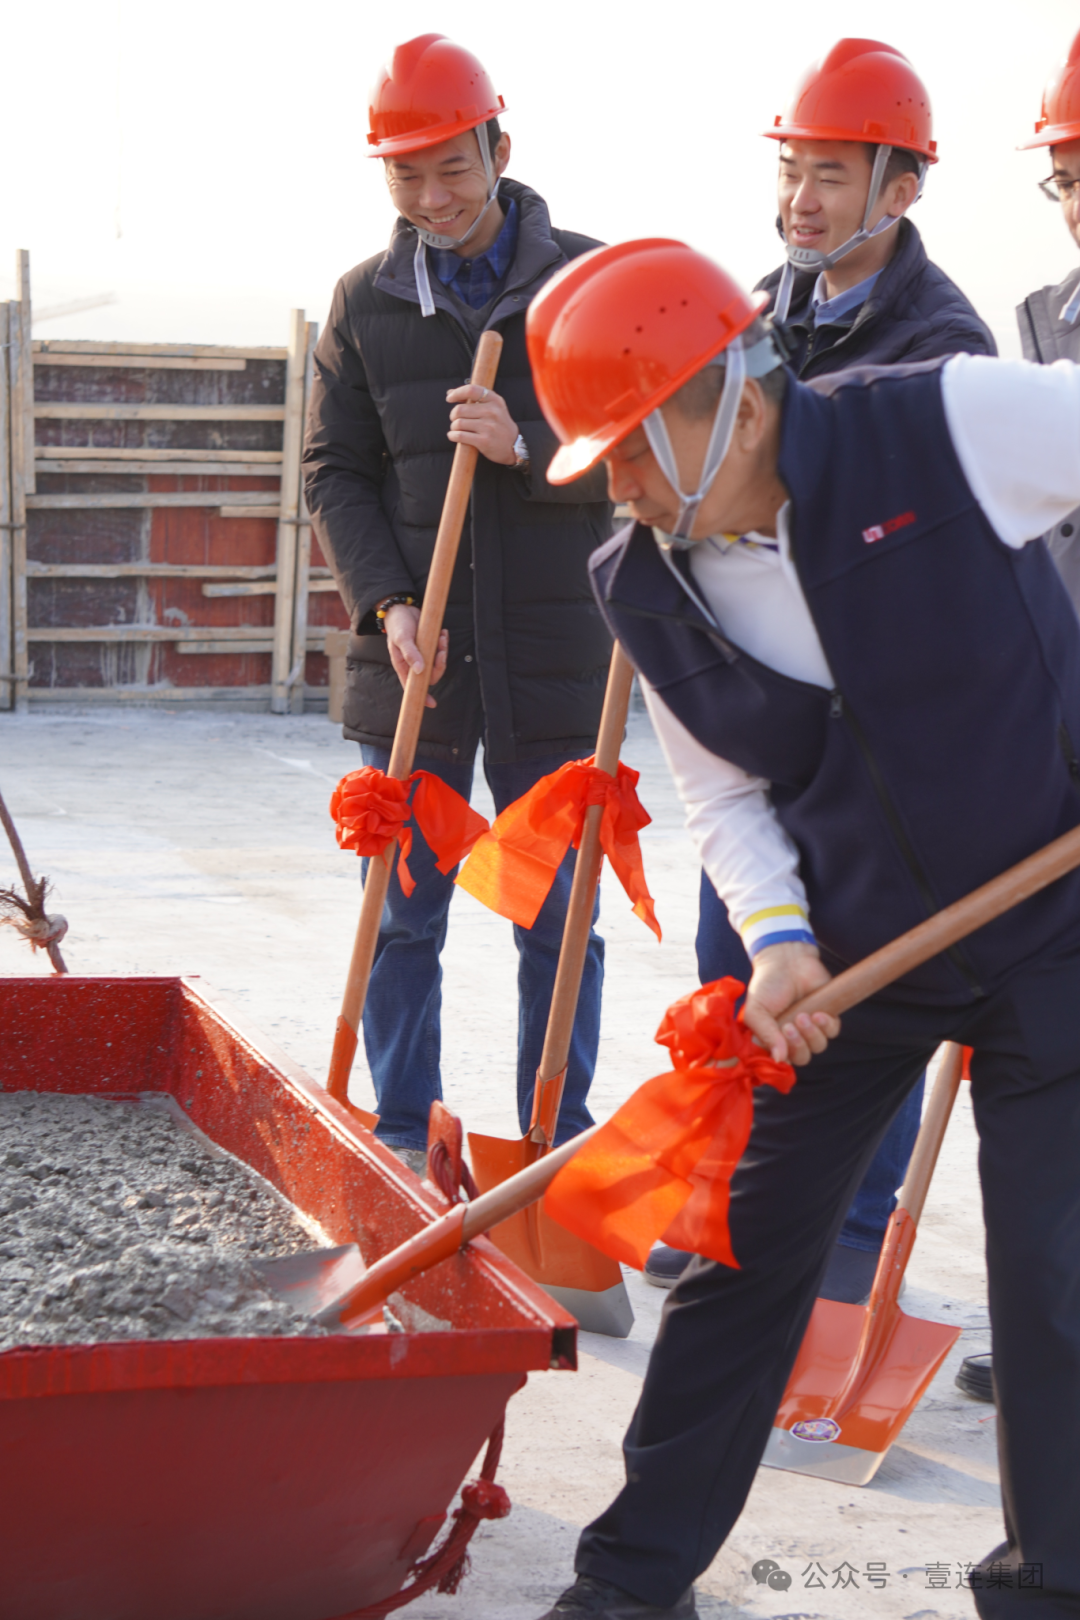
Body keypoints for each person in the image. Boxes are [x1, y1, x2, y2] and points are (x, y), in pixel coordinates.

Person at [525, 239, 1080, 1619]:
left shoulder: (951, 421)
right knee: (735, 1253)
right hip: (858, 953)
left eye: (635, 447)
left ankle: (1052, 1587)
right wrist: (776, 943)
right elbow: (723, 793)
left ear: (742, 403)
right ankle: (630, 1585)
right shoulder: (642, 579)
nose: (621, 485)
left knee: (1059, 1276)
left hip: (1052, 915)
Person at [648, 39, 996, 1300]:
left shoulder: (941, 340)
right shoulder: (755, 311)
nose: (802, 201)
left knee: (862, 999)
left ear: (900, 190)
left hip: (883, 723)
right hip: (765, 705)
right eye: (793, 173)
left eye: (831, 177)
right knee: (738, 962)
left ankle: (843, 1254)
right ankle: (728, 1210)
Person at [303, 34, 612, 1171]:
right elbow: (333, 471)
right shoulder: (362, 302)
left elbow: (639, 455)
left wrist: (529, 448)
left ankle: (549, 1140)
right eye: (405, 174)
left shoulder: (586, 285)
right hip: (419, 662)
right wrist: (386, 604)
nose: (431, 198)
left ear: (501, 147)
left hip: (552, 659)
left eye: (452, 168)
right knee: (405, 910)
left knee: (556, 917)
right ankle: (400, 1135)